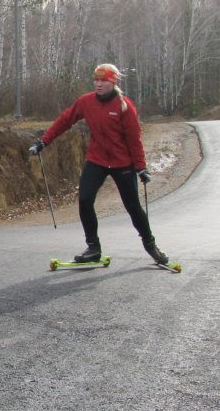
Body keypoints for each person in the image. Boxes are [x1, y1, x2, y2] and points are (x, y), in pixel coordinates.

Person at [28, 63, 170, 265]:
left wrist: (141, 168)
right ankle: (93, 247)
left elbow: (134, 140)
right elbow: (64, 120)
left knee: (133, 207)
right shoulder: (86, 102)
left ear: (113, 82)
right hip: (97, 159)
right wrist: (44, 141)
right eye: (96, 79)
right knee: (85, 200)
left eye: (104, 80)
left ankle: (151, 245)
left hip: (123, 163)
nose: (99, 84)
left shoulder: (125, 107)